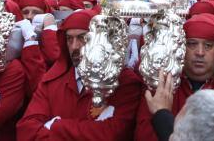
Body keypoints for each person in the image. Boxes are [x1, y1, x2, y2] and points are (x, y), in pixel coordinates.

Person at [17, 10, 143, 140]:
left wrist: (56, 126)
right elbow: (26, 130)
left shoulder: (124, 82)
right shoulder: (52, 81)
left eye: (83, 38)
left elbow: (111, 133)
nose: (74, 46)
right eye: (69, 39)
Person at [135, 14, 214, 140]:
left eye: (208, 45)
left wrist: (162, 116)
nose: (200, 52)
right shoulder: (160, 87)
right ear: (181, 48)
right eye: (192, 44)